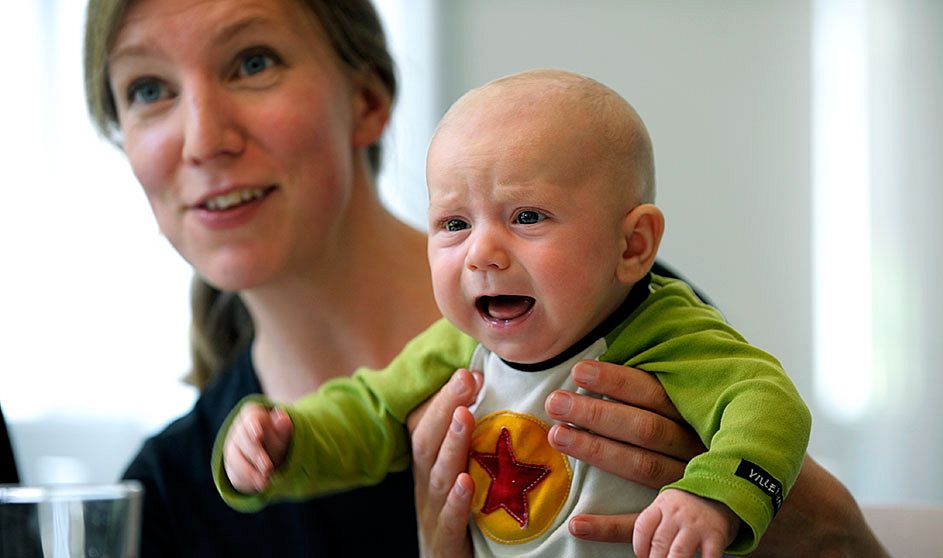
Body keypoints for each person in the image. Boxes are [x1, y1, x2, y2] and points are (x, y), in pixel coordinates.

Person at [81, 0, 889, 556]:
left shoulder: (626, 314)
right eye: (147, 89)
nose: (202, 139)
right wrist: (277, 446)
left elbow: (776, 446)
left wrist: (776, 513)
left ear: (367, 99)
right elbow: (361, 419)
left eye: (252, 61)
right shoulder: (164, 497)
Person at [216, 69, 811, 557]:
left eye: (526, 217)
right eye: (454, 223)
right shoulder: (456, 350)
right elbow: (366, 413)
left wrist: (716, 498)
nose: (481, 253)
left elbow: (767, 403)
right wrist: (282, 442)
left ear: (632, 246)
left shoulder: (665, 331)